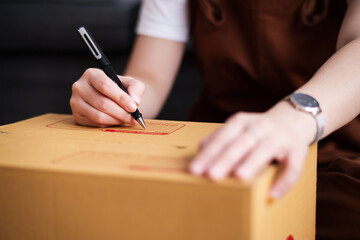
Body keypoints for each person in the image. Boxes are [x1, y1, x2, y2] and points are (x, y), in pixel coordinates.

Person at [70, 0, 360, 239]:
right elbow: (151, 77)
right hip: (212, 149)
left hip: (336, 147)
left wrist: (295, 119)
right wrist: (115, 97)